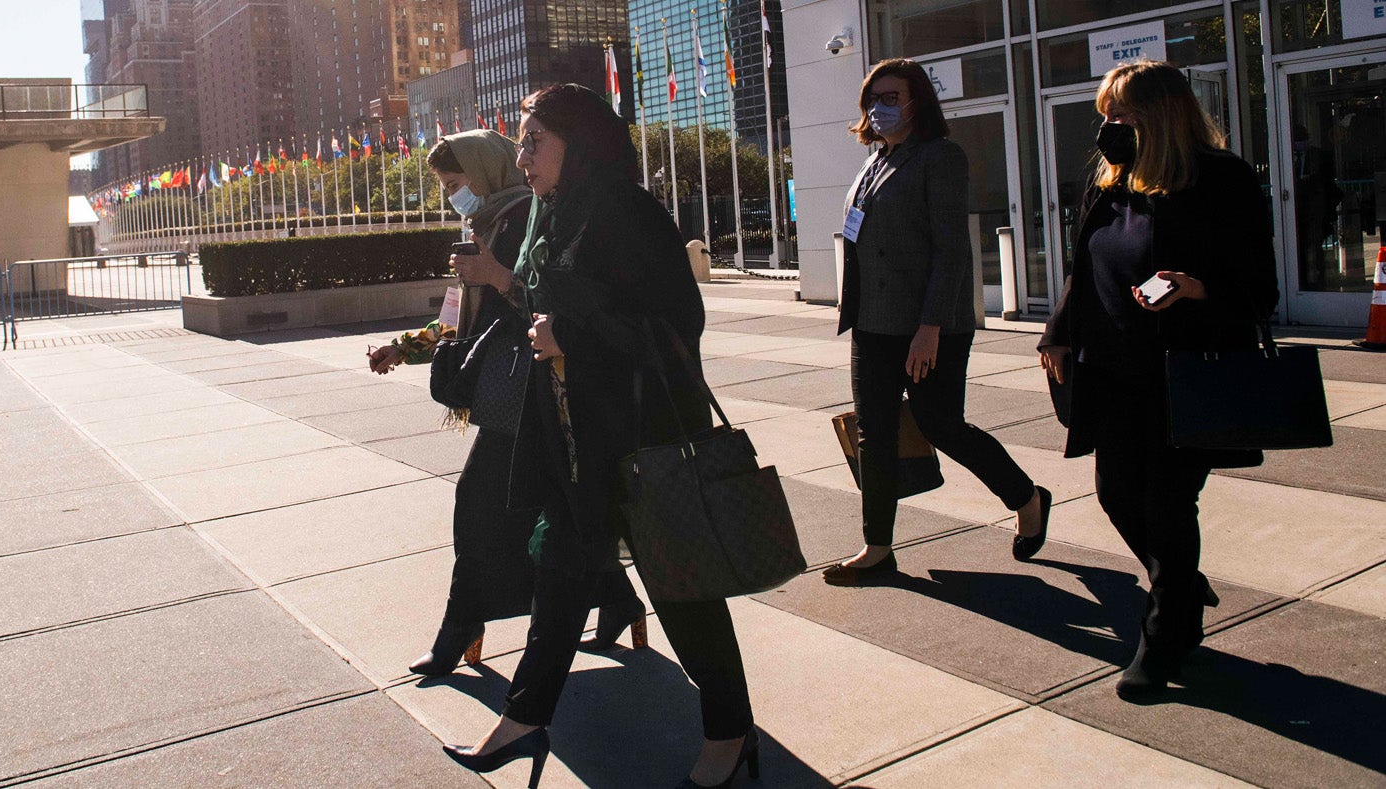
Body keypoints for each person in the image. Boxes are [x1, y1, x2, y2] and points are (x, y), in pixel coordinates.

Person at [438, 84, 757, 789]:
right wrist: (515, 294)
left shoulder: (625, 211)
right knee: (557, 570)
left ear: (575, 144)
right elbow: (541, 299)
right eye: (520, 143)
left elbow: (677, 324)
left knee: (681, 589)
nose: (521, 157)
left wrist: (572, 338)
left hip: (638, 435)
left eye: (533, 142)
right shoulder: (551, 215)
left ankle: (730, 733)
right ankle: (523, 719)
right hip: (570, 432)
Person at [1038, 61, 1278, 700]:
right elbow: (1080, 269)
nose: (1109, 128)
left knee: (1169, 504)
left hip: (1187, 371)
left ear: (1163, 116)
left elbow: (1260, 288)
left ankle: (1166, 633)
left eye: (1122, 115)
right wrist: (1058, 331)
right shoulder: (1109, 183)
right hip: (1113, 369)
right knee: (1115, 490)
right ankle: (1179, 582)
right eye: (1105, 115)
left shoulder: (1222, 180)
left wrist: (1195, 287)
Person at [366, 130, 645, 677]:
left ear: (484, 171)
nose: (453, 195)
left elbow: (545, 303)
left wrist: (492, 273)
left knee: (478, 508)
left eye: (455, 183)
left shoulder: (529, 217)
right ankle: (616, 597)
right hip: (513, 391)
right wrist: (403, 348)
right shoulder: (485, 223)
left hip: (535, 387)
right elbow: (462, 319)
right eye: (446, 187)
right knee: (552, 511)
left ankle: (462, 624)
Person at [821, 58, 1051, 585]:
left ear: (918, 102)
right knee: (874, 436)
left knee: (941, 424)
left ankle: (1027, 497)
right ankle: (877, 548)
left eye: (893, 96)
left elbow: (952, 253)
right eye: (874, 97)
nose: (880, 107)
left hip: (928, 326)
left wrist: (930, 328)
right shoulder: (875, 162)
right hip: (874, 324)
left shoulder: (939, 157)